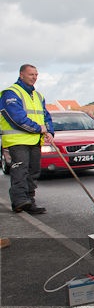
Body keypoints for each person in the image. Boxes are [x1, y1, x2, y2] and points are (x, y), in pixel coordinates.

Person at [0, 64, 54, 214]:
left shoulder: (38, 96)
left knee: (33, 172)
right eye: (31, 74)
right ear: (21, 75)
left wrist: (49, 131)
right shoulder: (11, 93)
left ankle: (30, 202)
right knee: (20, 170)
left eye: (36, 74)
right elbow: (16, 118)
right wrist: (38, 128)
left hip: (35, 141)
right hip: (17, 140)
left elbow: (46, 116)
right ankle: (19, 201)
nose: (34, 77)